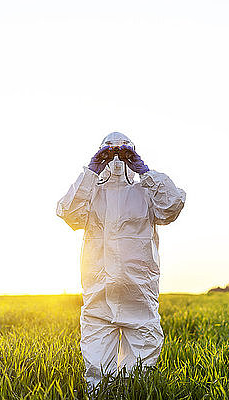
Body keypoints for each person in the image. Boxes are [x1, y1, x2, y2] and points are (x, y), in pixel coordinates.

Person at [56, 132, 186, 389]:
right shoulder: (91, 193)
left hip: (138, 294)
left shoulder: (145, 192)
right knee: (97, 372)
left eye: (124, 152)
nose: (117, 158)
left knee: (139, 374)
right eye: (109, 152)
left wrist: (145, 171)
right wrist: (91, 171)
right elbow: (68, 212)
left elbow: (172, 206)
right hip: (98, 297)